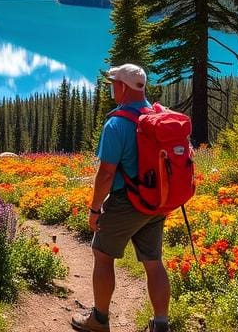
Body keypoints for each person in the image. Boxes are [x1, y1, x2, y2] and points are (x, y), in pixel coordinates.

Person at [71, 64, 170, 332]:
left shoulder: (117, 123)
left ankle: (99, 320)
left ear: (123, 87)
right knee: (153, 262)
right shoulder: (156, 116)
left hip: (126, 202)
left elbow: (105, 175)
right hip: (157, 201)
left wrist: (94, 209)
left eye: (114, 82)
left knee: (102, 254)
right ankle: (161, 324)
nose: (111, 86)